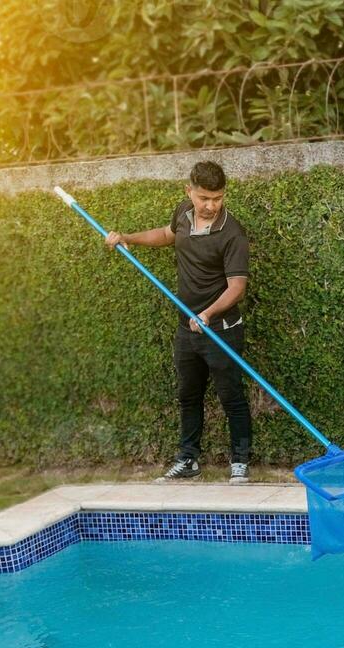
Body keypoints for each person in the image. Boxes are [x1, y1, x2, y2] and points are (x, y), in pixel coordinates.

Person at [104, 161, 252, 483]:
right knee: (188, 395)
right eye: (204, 198)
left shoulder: (232, 233)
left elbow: (237, 288)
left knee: (231, 397)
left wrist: (208, 314)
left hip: (221, 330)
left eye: (217, 198)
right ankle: (188, 461)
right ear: (190, 192)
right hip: (187, 329)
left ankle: (240, 462)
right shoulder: (184, 213)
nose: (211, 205)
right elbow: (166, 235)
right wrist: (128, 237)